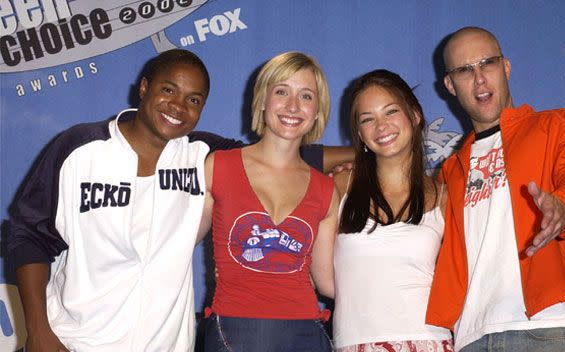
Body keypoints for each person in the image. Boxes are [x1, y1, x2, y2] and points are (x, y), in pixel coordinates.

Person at [5, 49, 348, 351]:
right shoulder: (79, 148)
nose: (178, 106)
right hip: (73, 341)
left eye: (194, 99)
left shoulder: (201, 155)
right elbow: (28, 236)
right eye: (168, 90)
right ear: (144, 88)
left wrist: (371, 152)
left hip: (165, 344)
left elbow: (282, 157)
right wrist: (39, 332)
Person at [425, 27, 565, 351]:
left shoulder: (558, 125)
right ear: (450, 85)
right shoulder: (449, 171)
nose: (479, 78)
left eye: (487, 64)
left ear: (505, 67)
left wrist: (562, 208)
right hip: (470, 337)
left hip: (546, 328)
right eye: (465, 70)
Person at [200, 51, 339, 352]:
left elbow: (328, 283)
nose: (292, 106)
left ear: (317, 110)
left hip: (305, 332)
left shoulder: (326, 189)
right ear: (263, 100)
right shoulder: (218, 166)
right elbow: (176, 246)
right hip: (235, 330)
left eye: (306, 96)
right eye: (281, 92)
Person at [332, 69, 454, 352]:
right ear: (360, 134)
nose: (381, 126)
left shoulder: (445, 196)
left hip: (430, 340)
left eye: (390, 112)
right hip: (354, 342)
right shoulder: (339, 187)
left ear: (414, 115)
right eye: (367, 119)